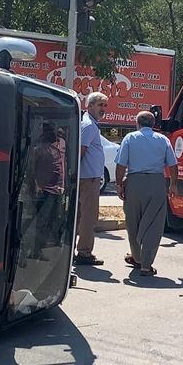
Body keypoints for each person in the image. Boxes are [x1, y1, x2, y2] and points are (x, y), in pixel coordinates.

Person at [114, 110, 178, 276]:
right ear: (154, 124)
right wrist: (173, 185)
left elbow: (121, 165)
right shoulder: (163, 139)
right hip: (156, 183)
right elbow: (173, 165)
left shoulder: (130, 138)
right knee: (154, 224)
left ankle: (137, 257)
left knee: (133, 222)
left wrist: (119, 185)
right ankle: (146, 264)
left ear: (137, 124)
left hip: (134, 183)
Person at [73, 92, 109, 266]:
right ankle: (84, 253)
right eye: (100, 105)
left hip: (88, 178)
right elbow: (81, 151)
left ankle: (77, 250)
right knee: (88, 217)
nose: (103, 109)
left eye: (105, 106)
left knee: (80, 216)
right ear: (90, 106)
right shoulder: (89, 125)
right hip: (88, 179)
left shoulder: (90, 124)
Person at [27, 122, 67, 259]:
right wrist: (37, 184)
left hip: (59, 188)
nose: (56, 133)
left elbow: (62, 164)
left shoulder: (61, 143)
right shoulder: (39, 147)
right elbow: (32, 167)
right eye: (53, 131)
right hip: (44, 188)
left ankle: (42, 247)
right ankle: (35, 250)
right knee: (41, 220)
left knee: (54, 219)